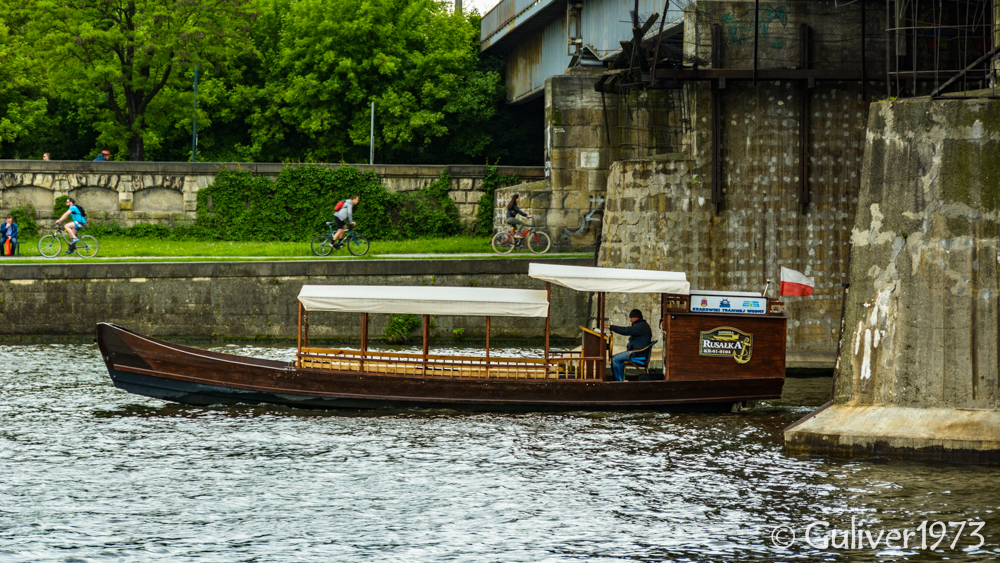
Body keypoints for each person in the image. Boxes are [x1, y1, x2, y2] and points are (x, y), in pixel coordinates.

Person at [604, 309, 652, 382]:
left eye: (631, 318)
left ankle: (620, 381)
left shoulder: (641, 326)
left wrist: (610, 327)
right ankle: (623, 379)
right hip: (637, 352)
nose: (630, 320)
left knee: (615, 359)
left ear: (637, 317)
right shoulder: (641, 325)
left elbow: (626, 330)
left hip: (638, 353)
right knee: (615, 358)